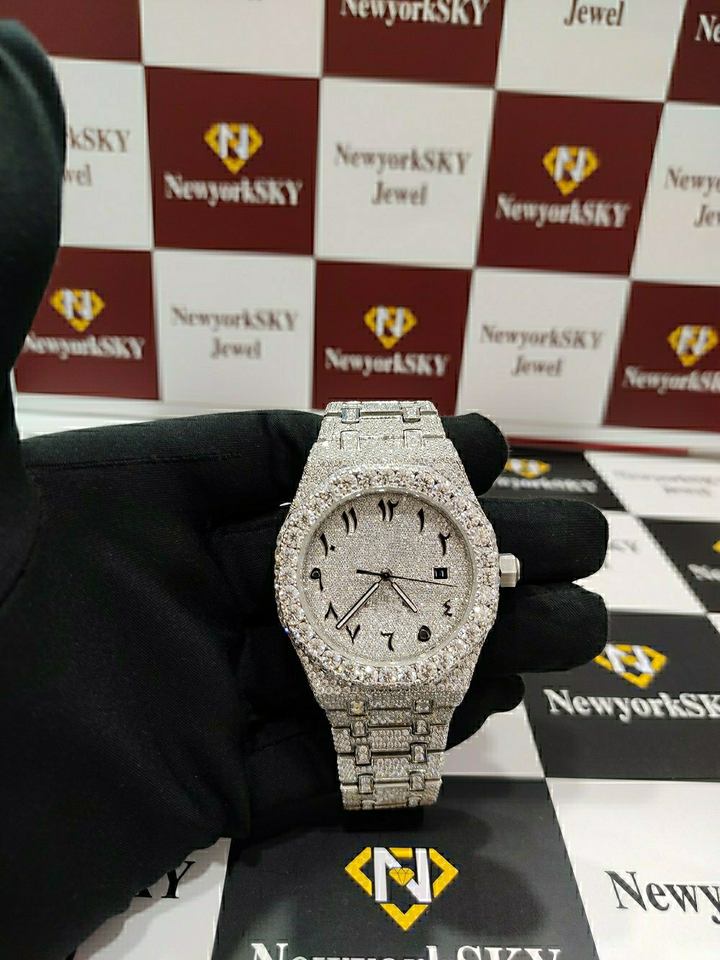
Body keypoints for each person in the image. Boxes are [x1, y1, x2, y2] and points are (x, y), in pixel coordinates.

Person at [0, 21, 608, 960]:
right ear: (295, 567)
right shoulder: (295, 580)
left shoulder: (422, 578)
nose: (392, 577)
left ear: (486, 571)